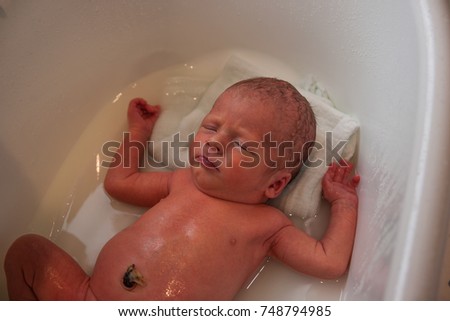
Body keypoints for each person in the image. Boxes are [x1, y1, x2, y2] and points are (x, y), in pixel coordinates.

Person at [4, 77, 360, 300]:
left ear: (276, 183)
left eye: (242, 146)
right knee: (27, 253)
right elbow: (119, 184)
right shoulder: (181, 181)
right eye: (211, 127)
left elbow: (329, 262)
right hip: (89, 299)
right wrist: (138, 134)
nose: (214, 143)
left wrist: (342, 202)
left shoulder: (268, 227)